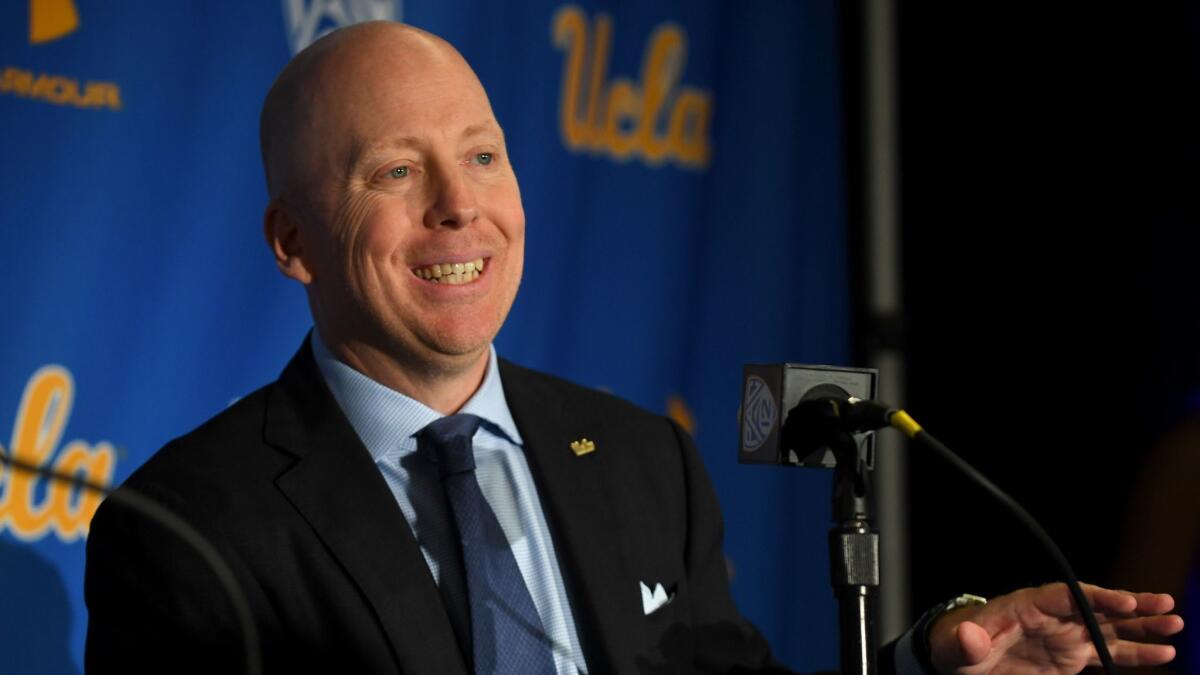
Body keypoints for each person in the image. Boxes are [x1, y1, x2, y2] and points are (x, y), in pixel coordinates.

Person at [84, 21, 1182, 674]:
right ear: (293, 243)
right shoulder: (187, 528)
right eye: (395, 172)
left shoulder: (640, 461)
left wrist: (924, 662)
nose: (462, 209)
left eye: (484, 156)